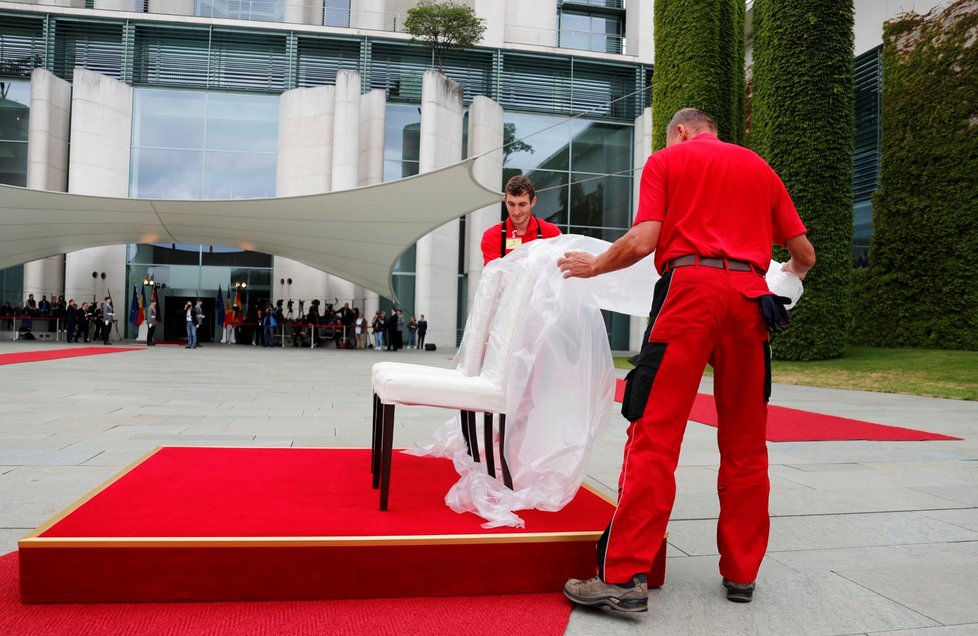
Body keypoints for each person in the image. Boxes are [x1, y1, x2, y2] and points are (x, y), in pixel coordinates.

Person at [558, 108, 816, 612]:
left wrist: (594, 267)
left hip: (689, 292)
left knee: (655, 434)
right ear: (714, 130)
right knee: (746, 441)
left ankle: (624, 575)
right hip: (749, 299)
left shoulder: (667, 162)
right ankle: (742, 573)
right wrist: (785, 275)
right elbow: (804, 254)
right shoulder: (760, 169)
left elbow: (643, 240)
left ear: (680, 130)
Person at [480, 175, 562, 265]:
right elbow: (493, 275)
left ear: (533, 202)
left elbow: (558, 271)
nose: (516, 212)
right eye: (511, 204)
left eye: (522, 204)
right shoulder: (492, 236)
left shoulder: (551, 233)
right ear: (505, 201)